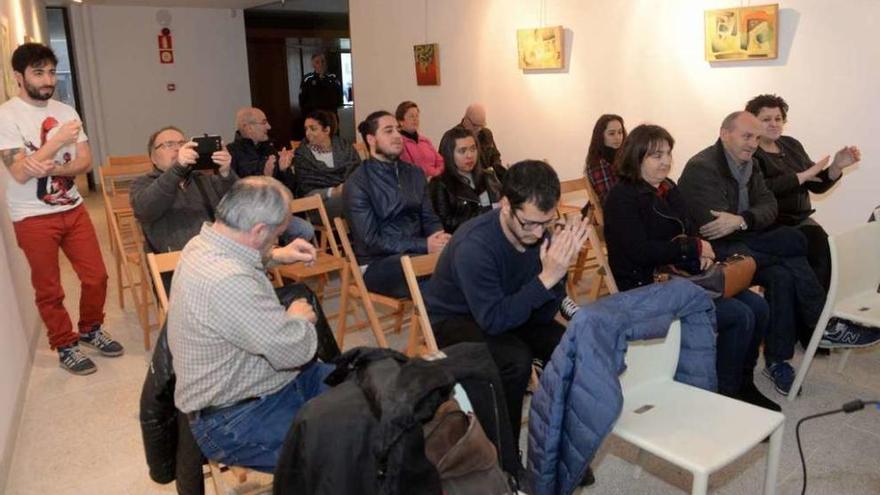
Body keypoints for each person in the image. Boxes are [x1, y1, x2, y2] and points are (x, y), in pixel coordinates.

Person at [603, 124, 779, 410]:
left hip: (682, 277)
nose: (665, 161)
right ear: (636, 157)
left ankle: (744, 383)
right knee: (737, 314)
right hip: (646, 286)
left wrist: (701, 246)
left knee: (758, 307)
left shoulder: (666, 187)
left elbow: (690, 224)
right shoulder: (622, 198)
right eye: (655, 155)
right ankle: (726, 393)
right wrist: (691, 247)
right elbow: (638, 251)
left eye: (668, 153)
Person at [168, 176, 332, 472]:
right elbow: (294, 352)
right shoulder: (228, 281)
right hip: (236, 419)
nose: (277, 241)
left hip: (262, 385)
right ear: (258, 231)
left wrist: (276, 255)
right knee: (343, 455)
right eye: (276, 235)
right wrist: (298, 320)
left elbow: (242, 255)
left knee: (369, 400)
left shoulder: (202, 243)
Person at [423, 160, 589, 450]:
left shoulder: (537, 230)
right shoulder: (474, 245)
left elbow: (542, 313)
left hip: (508, 306)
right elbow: (494, 321)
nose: (539, 234)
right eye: (530, 223)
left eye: (546, 222)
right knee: (514, 360)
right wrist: (546, 277)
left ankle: (555, 446)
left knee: (567, 345)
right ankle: (504, 456)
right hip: (456, 318)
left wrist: (557, 275)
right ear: (505, 206)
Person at [677, 111, 836, 396]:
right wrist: (748, 221)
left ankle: (777, 361)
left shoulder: (751, 165)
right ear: (725, 134)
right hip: (714, 252)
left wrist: (741, 219)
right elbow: (714, 227)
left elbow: (769, 207)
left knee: (785, 270)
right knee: (793, 245)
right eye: (746, 136)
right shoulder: (702, 167)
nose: (752, 144)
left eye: (756, 138)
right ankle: (822, 321)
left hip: (744, 239)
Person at [0, 43, 123, 375]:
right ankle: (65, 344)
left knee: (96, 276)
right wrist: (54, 144)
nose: (47, 80)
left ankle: (90, 328)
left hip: (74, 207)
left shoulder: (67, 111)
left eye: (51, 72)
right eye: (38, 72)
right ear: (18, 77)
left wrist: (49, 166)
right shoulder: (6, 116)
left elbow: (85, 162)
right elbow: (20, 172)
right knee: (49, 287)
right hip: (32, 216)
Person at [746, 94, 861, 292]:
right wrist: (800, 176)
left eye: (778, 119)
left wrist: (836, 166)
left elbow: (815, 184)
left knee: (830, 255)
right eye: (766, 119)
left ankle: (826, 312)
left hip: (801, 221)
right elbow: (762, 188)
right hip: (772, 225)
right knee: (816, 255)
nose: (774, 124)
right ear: (752, 122)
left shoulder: (791, 144)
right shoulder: (749, 151)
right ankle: (815, 316)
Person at [343, 110, 450, 298]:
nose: (397, 136)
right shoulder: (358, 183)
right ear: (371, 139)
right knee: (441, 277)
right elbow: (371, 241)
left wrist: (438, 238)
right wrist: (424, 245)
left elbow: (429, 217)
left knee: (465, 257)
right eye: (388, 131)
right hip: (377, 264)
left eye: (398, 130)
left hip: (416, 254)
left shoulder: (415, 173)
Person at [227, 107, 314, 242]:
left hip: (275, 212)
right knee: (266, 237)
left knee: (305, 230)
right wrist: (264, 177)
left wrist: (285, 171)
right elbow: (234, 192)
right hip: (249, 218)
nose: (269, 126)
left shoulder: (269, 149)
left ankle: (284, 258)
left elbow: (291, 189)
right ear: (248, 127)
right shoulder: (231, 153)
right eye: (264, 122)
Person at [428, 125, 501, 233]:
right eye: (462, 151)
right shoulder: (440, 184)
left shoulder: (488, 177)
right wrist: (489, 210)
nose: (469, 155)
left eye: (473, 149)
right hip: (464, 239)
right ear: (449, 154)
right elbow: (446, 224)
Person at [293, 110, 361, 220]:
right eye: (306, 129)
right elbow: (306, 188)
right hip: (317, 203)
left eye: (313, 129)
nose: (307, 133)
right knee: (357, 200)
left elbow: (357, 173)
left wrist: (344, 188)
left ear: (327, 130)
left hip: (350, 195)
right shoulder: (302, 154)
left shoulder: (345, 147)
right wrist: (333, 191)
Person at [456, 103, 507, 181]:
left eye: (482, 125)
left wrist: (499, 172)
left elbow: (495, 156)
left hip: (487, 182)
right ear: (466, 120)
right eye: (476, 125)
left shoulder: (487, 134)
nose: (479, 129)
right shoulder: (454, 137)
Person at [583, 114, 626, 204]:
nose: (617, 137)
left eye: (620, 132)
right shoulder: (597, 164)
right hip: (618, 212)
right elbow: (612, 199)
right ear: (601, 136)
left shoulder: (624, 156)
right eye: (611, 133)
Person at [396, 101, 443, 178]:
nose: (415, 119)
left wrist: (436, 174)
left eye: (417, 116)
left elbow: (440, 161)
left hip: (435, 182)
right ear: (401, 121)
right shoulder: (399, 143)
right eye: (411, 116)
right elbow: (408, 169)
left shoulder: (425, 141)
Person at [299, 53, 343, 121]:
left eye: (323, 61)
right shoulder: (307, 79)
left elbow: (339, 97)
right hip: (314, 115)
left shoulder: (333, 78)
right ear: (313, 64)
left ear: (326, 63)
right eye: (317, 62)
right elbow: (302, 100)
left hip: (330, 115)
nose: (321, 64)